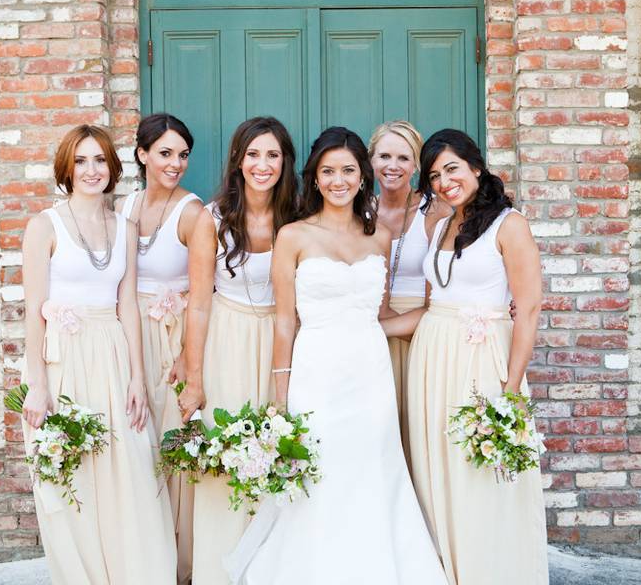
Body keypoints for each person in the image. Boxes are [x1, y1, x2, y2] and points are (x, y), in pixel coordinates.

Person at [226, 127, 448, 585]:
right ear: (315, 177)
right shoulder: (293, 236)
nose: (338, 180)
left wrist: (447, 313)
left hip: (370, 371)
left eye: (348, 170)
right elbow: (286, 322)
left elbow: (381, 314)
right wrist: (281, 395)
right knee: (321, 472)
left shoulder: (380, 237)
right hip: (316, 371)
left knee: (371, 470)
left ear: (362, 176)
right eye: (328, 171)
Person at [387, 129, 548, 585]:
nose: (443, 181)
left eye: (452, 168)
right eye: (434, 175)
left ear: (476, 167)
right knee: (434, 471)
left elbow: (529, 307)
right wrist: (365, 328)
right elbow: (431, 306)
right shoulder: (439, 226)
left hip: (481, 360)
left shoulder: (509, 224)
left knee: (476, 475)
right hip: (431, 360)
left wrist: (511, 390)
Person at [20, 124, 176, 584]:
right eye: (81, 161)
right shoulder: (43, 226)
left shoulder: (124, 228)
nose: (92, 170)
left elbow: (127, 304)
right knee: (75, 472)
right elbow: (33, 311)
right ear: (66, 168)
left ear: (113, 167)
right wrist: (37, 385)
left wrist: (136, 378)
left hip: (111, 351)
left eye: (100, 160)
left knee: (126, 471)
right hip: (63, 356)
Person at [177, 116, 299, 585]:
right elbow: (200, 304)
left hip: (282, 342)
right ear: (238, 160)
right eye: (253, 154)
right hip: (227, 339)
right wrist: (195, 375)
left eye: (272, 155)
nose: (262, 164)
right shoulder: (213, 218)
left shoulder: (299, 214)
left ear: (285, 162)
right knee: (227, 452)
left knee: (277, 449)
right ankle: (217, 570)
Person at [115, 113, 202, 584]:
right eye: (165, 153)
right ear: (143, 154)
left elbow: (202, 294)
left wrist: (190, 356)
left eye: (183, 154)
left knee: (171, 446)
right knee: (134, 444)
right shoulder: (123, 207)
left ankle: (176, 564)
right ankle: (139, 558)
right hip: (129, 335)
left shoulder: (193, 213)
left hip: (172, 337)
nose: (175, 163)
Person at [368, 120, 449, 464]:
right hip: (371, 332)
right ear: (370, 160)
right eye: (384, 155)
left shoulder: (435, 211)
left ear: (417, 165)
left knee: (418, 431)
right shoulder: (359, 211)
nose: (392, 166)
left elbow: (442, 294)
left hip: (421, 328)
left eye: (403, 158)